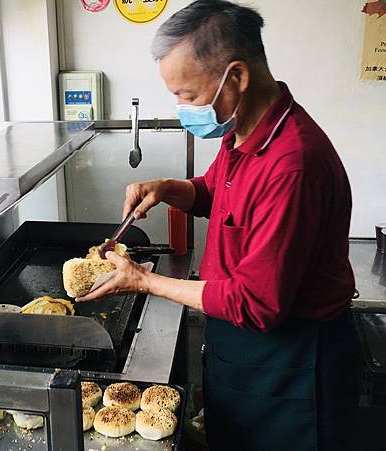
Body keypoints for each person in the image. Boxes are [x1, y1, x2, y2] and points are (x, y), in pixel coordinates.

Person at [76, 1, 362, 450]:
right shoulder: (243, 131)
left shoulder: (293, 164)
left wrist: (145, 283)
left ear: (237, 77)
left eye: (187, 95)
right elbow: (215, 192)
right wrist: (170, 187)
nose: (181, 107)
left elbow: (256, 302)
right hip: (242, 350)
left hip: (293, 367)